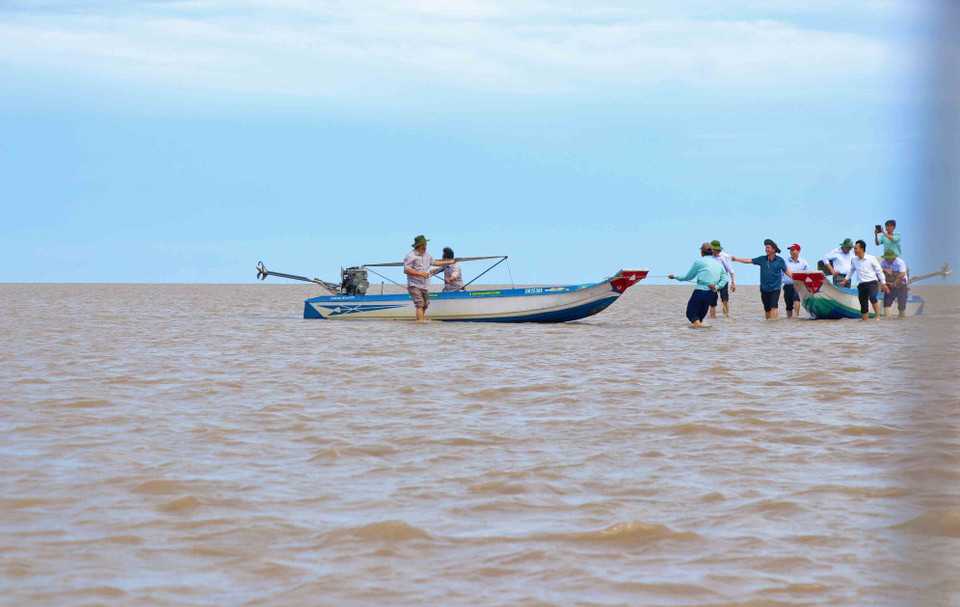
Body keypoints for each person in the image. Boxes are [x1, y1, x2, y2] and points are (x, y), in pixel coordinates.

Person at [731, 239, 793, 320]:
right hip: (764, 287)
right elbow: (749, 260)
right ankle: (768, 324)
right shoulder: (762, 259)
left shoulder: (779, 260)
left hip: (775, 287)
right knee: (767, 308)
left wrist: (794, 277)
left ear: (774, 249)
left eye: (768, 248)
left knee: (774, 306)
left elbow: (786, 270)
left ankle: (773, 324)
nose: (766, 249)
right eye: (766, 248)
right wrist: (737, 259)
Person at [668, 242, 728, 326]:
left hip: (700, 292)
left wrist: (674, 276)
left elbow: (688, 277)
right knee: (700, 317)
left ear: (702, 252)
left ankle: (698, 330)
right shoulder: (719, 265)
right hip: (711, 294)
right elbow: (725, 279)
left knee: (691, 314)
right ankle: (701, 335)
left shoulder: (699, 262)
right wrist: (717, 287)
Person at [402, 235, 454, 321]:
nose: (426, 245)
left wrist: (448, 262)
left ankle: (420, 323)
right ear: (421, 245)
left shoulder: (427, 254)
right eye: (425, 243)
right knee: (420, 304)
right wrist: (420, 274)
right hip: (414, 284)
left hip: (425, 284)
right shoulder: (410, 256)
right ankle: (419, 323)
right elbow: (406, 270)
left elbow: (434, 262)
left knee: (425, 305)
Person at [841, 240, 889, 320]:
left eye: (856, 249)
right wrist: (845, 280)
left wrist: (884, 283)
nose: (854, 250)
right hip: (862, 284)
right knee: (863, 304)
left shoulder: (871, 258)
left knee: (873, 297)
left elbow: (879, 271)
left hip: (872, 282)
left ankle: (878, 317)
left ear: (862, 249)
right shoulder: (854, 260)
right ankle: (865, 321)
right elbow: (851, 271)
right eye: (854, 249)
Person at [708, 240, 735, 318]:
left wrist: (733, 282)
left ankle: (725, 317)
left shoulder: (725, 256)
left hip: (723, 281)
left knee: (725, 300)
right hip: (713, 281)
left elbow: (730, 270)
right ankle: (712, 317)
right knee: (712, 302)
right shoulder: (710, 257)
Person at [880, 248, 909, 318]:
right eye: (886, 258)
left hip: (901, 285)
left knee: (901, 305)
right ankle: (888, 319)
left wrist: (895, 284)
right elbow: (877, 267)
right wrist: (886, 269)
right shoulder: (884, 262)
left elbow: (902, 274)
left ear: (893, 257)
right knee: (887, 303)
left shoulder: (900, 262)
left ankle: (901, 318)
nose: (887, 260)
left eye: (889, 258)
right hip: (890, 284)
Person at [782, 243, 809, 318]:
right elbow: (781, 273)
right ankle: (789, 318)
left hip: (799, 285)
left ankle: (796, 317)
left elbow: (807, 274)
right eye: (790, 250)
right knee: (788, 304)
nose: (791, 252)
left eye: (793, 250)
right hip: (787, 285)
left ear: (798, 251)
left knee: (796, 299)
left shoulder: (803, 262)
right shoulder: (785, 261)